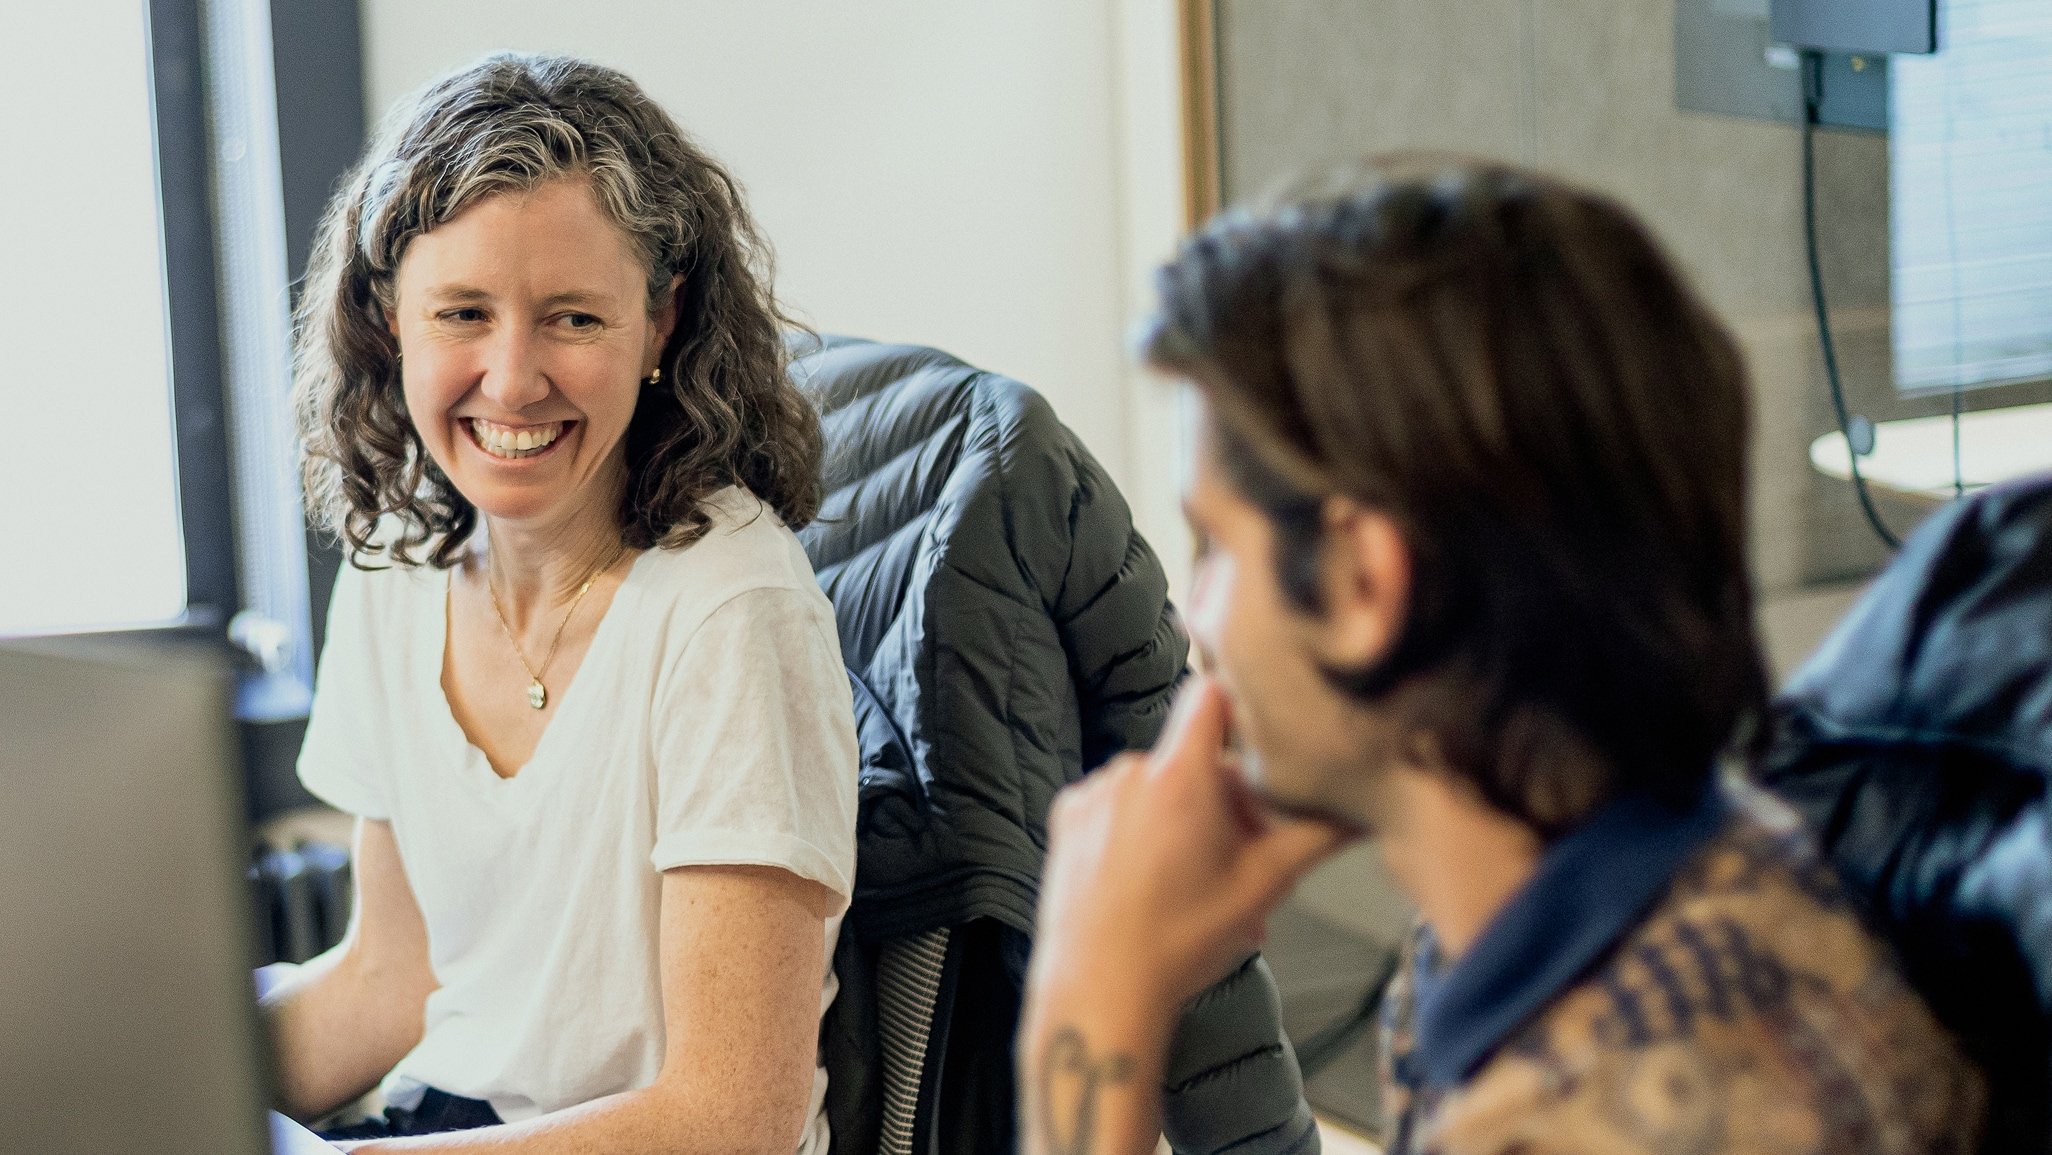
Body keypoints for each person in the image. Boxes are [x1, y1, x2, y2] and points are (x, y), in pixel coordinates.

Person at [1020, 158, 1986, 1155]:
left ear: (1360, 582)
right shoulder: (1657, 896)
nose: (1195, 623)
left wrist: (1096, 999)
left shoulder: (1595, 1120)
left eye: (1217, 546)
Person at [264, 53, 859, 1154]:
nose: (511, 379)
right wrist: (134, 1080)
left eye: (574, 319)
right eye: (462, 312)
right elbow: (389, 984)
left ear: (662, 324)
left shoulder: (731, 609)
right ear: (391, 321)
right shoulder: (396, 566)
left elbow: (735, 1116)